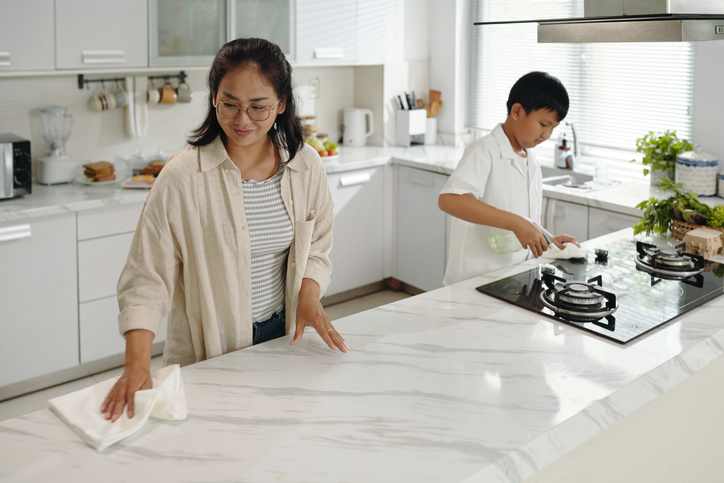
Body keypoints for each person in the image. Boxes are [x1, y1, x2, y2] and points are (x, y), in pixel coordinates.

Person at [102, 38, 347, 423]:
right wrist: (136, 364)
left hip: (283, 337)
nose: (242, 120)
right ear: (213, 97)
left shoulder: (305, 166)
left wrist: (309, 295)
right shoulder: (183, 177)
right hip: (209, 348)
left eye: (258, 107)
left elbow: (317, 247)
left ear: (281, 104)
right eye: (229, 103)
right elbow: (146, 278)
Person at [438, 71, 579, 286]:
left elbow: (523, 217)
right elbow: (450, 200)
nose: (546, 135)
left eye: (552, 128)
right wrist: (515, 223)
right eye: (543, 124)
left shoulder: (530, 161)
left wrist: (548, 239)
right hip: (474, 280)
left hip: (514, 279)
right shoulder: (484, 150)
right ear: (517, 111)